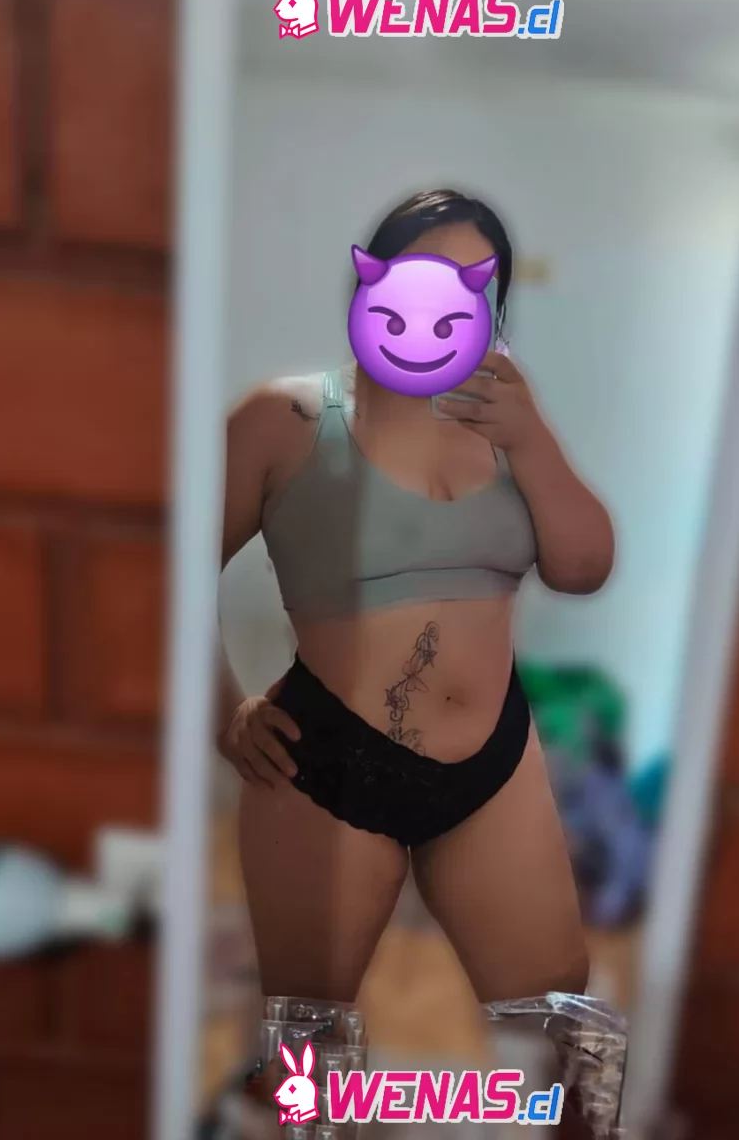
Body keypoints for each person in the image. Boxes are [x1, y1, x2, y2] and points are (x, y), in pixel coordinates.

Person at [218, 188, 615, 1006]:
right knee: (311, 1033)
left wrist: (532, 438)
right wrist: (221, 712)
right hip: (325, 760)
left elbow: (582, 569)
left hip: (496, 765)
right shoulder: (286, 417)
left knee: (558, 1016)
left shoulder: (508, 429)